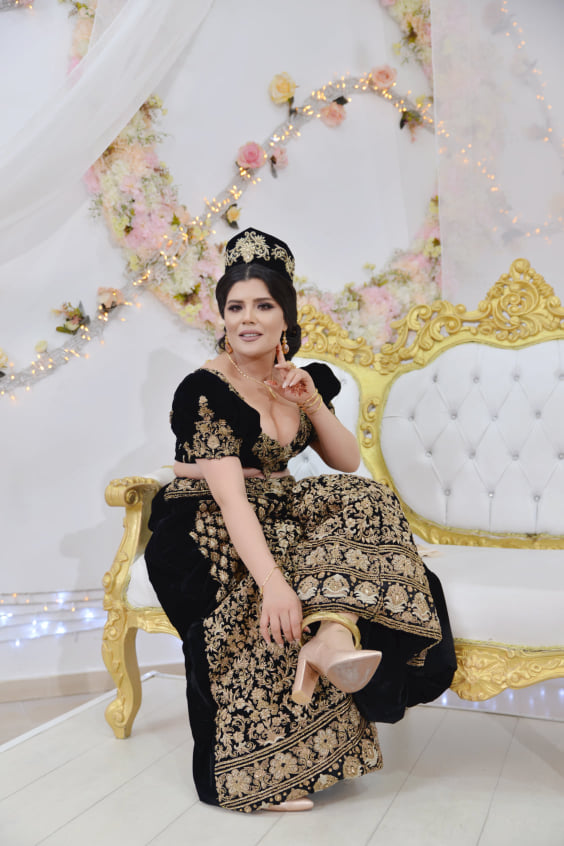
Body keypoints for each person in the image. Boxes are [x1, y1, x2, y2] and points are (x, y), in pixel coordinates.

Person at [145, 227, 456, 814]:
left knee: (365, 498)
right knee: (263, 601)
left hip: (277, 506)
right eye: (235, 307)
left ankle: (333, 636)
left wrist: (310, 400)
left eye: (263, 305)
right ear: (222, 316)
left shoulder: (298, 380)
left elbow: (347, 461)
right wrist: (273, 585)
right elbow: (232, 502)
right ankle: (252, 779)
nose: (247, 319)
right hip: (204, 525)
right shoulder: (204, 391)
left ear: (285, 315)